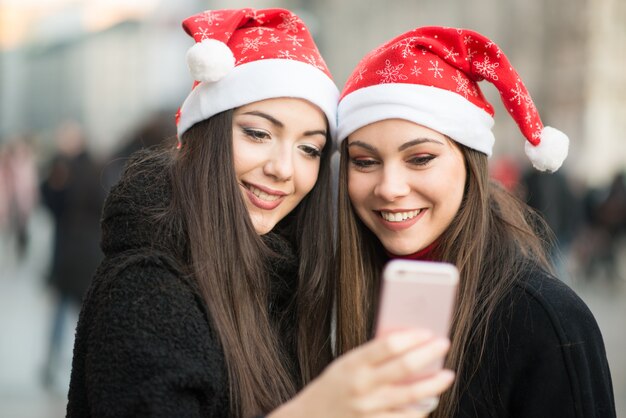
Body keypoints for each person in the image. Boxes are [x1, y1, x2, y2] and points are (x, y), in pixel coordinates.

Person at [67, 9, 454, 418]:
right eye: (258, 133)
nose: (283, 169)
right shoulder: (147, 289)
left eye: (310, 148)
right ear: (207, 133)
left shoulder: (280, 277)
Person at [335, 26, 616, 417]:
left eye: (420, 159)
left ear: (470, 164)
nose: (390, 188)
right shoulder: (326, 298)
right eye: (365, 162)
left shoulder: (546, 320)